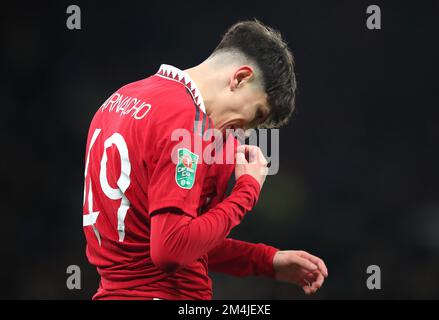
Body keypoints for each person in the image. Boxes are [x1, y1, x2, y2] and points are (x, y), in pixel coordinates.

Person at [82, 19, 328, 300]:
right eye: (256, 115)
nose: (246, 131)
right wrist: (247, 190)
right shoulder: (184, 119)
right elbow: (171, 250)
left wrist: (265, 261)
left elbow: (173, 239)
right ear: (240, 78)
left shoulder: (121, 98)